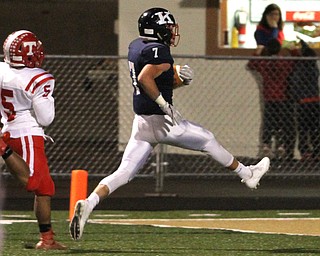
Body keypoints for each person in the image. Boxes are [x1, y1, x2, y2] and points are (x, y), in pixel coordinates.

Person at [69, 7, 270, 241]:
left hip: (143, 122)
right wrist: (165, 105)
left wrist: (178, 81)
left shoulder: (137, 45)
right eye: (168, 28)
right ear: (158, 30)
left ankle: (89, 203)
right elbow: (145, 78)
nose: (171, 33)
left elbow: (153, 79)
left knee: (124, 172)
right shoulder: (159, 50)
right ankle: (248, 174)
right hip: (161, 121)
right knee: (206, 138)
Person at [0, 30, 66, 250]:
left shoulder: (1, 69)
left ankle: (47, 239)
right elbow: (46, 118)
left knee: (44, 188)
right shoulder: (39, 77)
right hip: (26, 132)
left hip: (7, 126)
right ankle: (1, 148)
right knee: (35, 183)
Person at [247, 39, 296, 159]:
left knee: (268, 121)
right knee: (281, 121)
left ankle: (266, 144)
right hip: (282, 96)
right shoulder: (285, 63)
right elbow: (295, 62)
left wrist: (257, 53)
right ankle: (280, 144)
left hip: (269, 96)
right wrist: (293, 49)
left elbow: (251, 65)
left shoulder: (264, 63)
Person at [287, 40, 320, 160]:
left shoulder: (299, 68)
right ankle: (317, 151)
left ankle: (305, 151)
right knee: (315, 129)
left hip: (303, 103)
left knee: (303, 129)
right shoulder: (314, 67)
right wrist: (302, 45)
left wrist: (293, 96)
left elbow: (295, 84)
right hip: (315, 101)